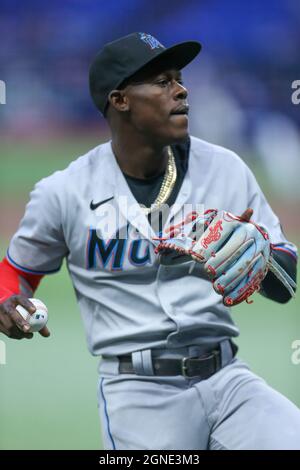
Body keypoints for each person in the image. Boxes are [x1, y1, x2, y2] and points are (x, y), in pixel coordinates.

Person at [0, 32, 299, 450]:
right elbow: (14, 274)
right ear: (120, 100)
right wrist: (6, 303)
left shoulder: (226, 169)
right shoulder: (63, 193)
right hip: (139, 398)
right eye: (162, 81)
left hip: (228, 381)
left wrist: (261, 255)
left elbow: (287, 279)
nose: (181, 90)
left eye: (179, 79)